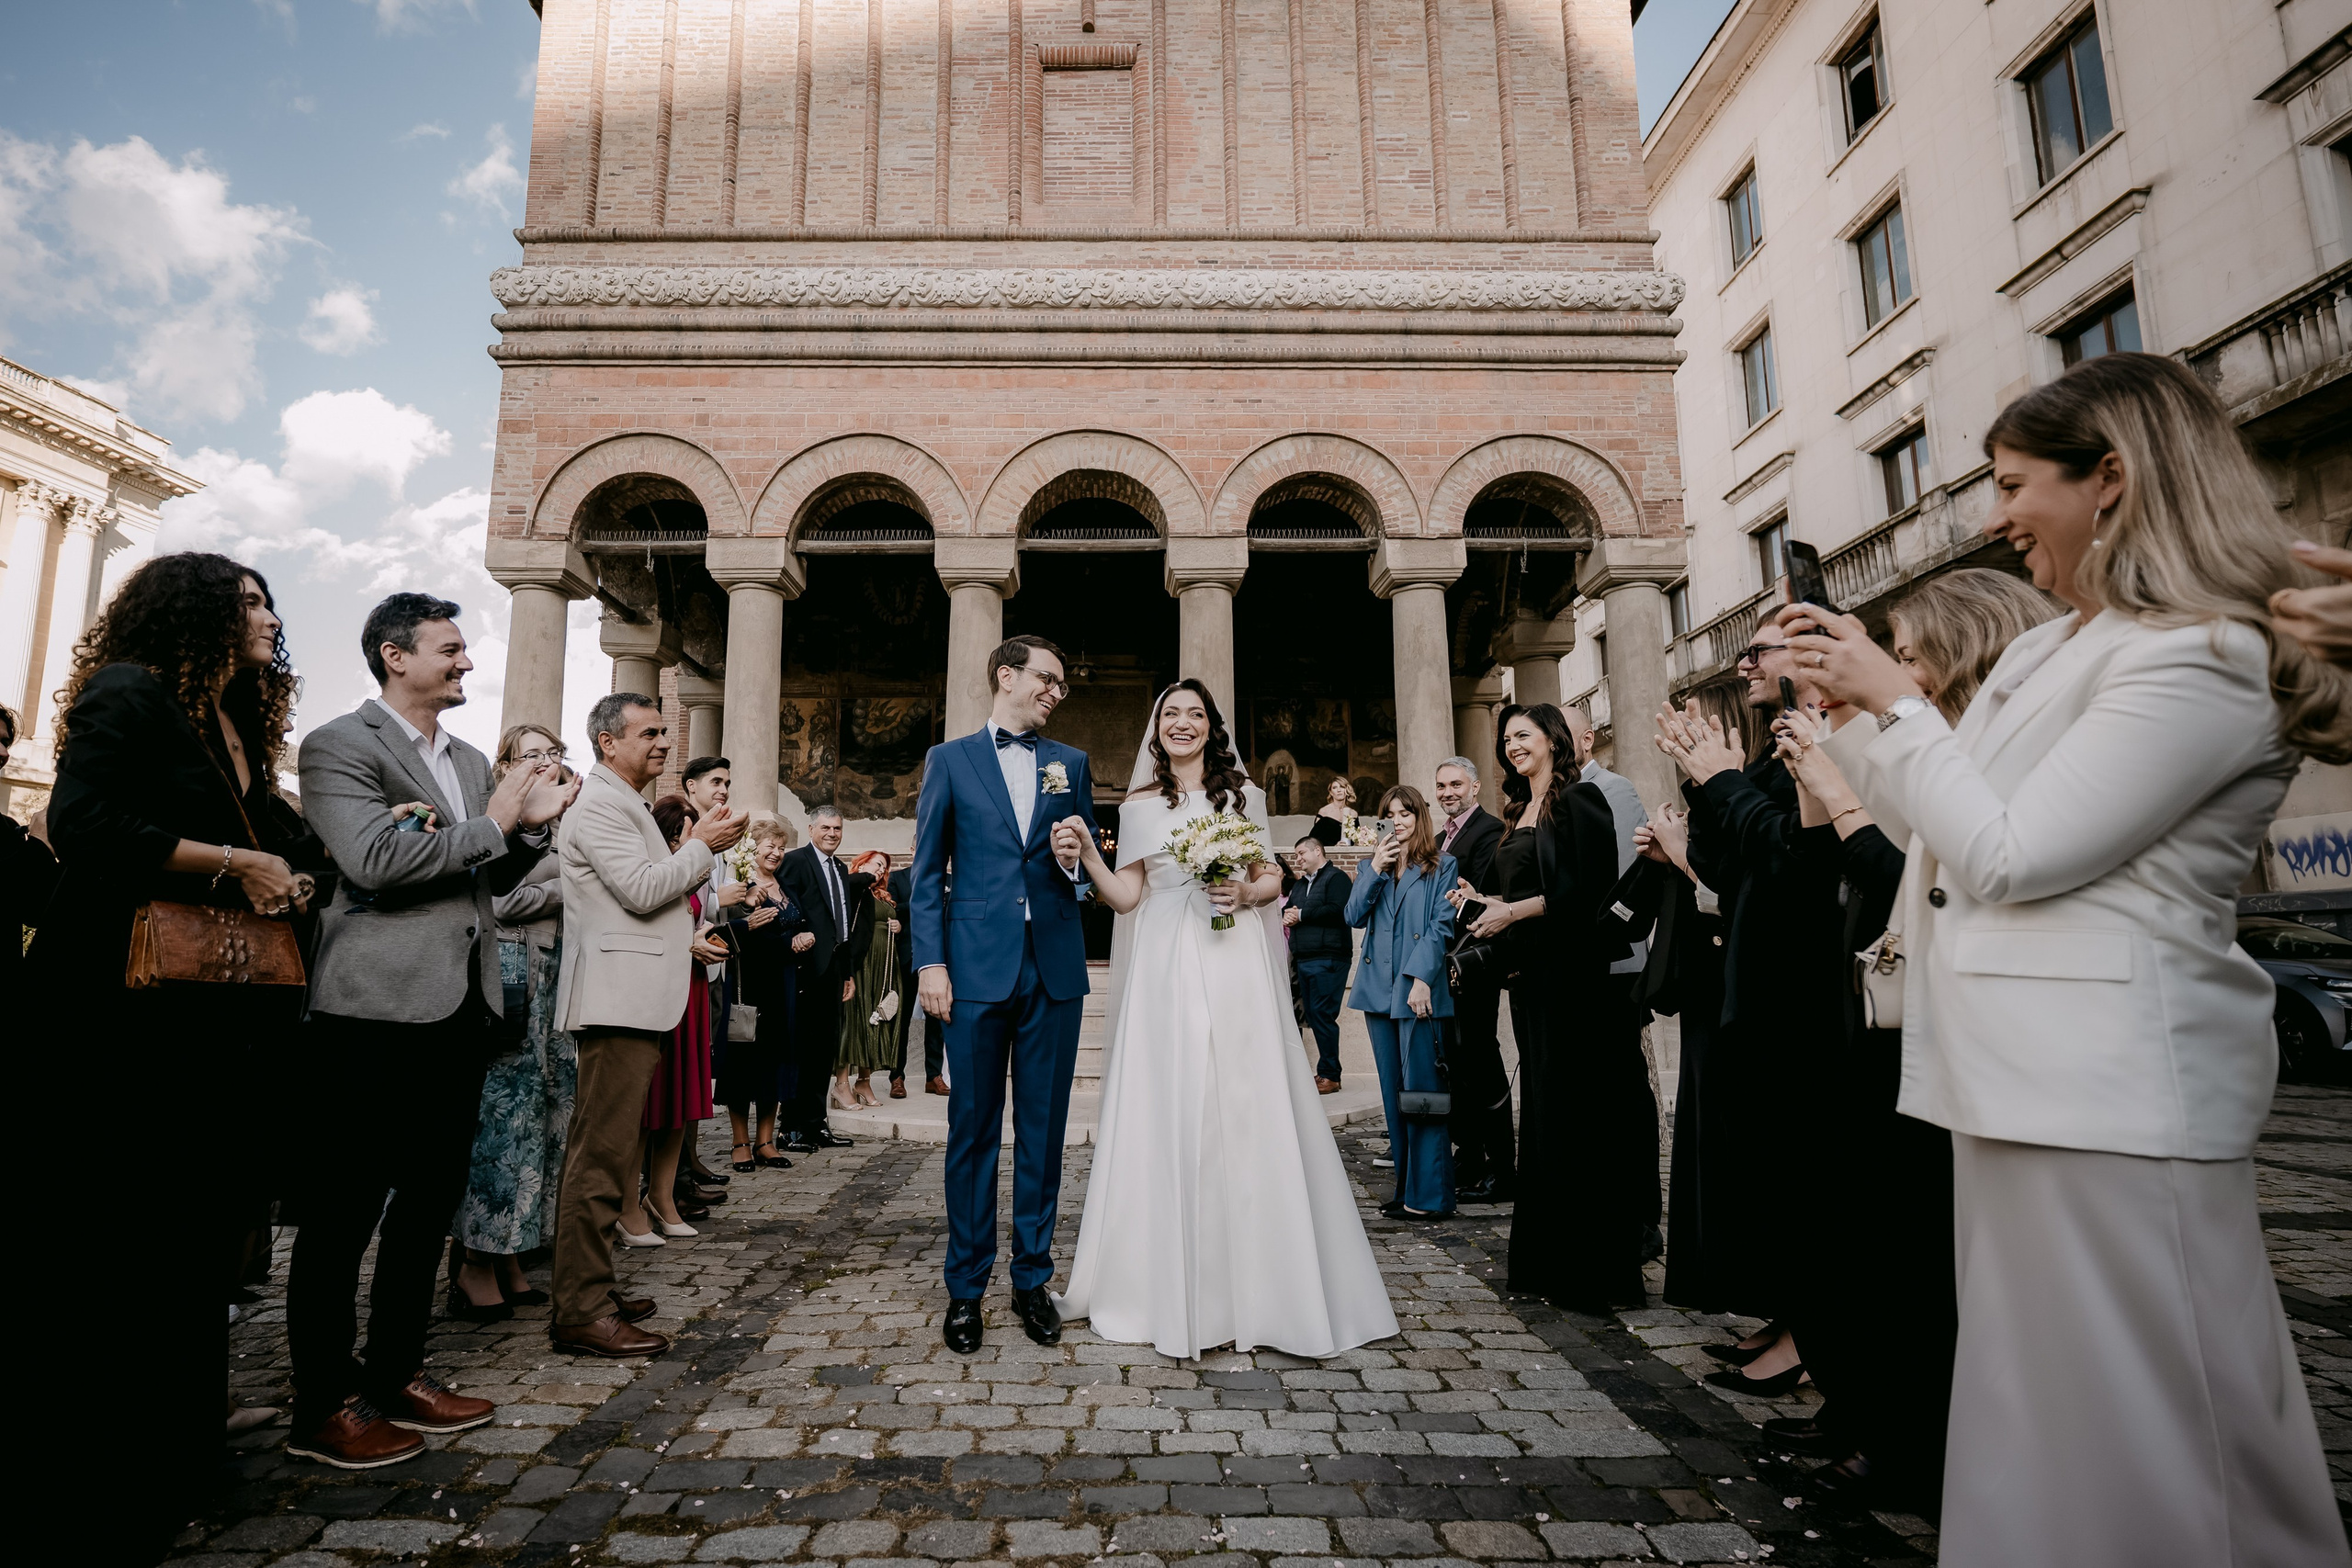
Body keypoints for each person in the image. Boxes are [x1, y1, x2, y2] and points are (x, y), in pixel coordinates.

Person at [1789, 353, 2351, 1567]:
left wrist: (1894, 706)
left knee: (2164, 1423)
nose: (1994, 518)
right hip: (2011, 1079)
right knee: (2037, 1418)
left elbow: (2012, 853)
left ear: (2112, 478)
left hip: (2115, 1088)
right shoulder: (2056, 648)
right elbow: (1931, 829)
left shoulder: (2200, 653)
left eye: (2011, 482)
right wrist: (1860, 722)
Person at [27, 553, 321, 1551]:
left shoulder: (235, 724)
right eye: (245, 601)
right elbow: (83, 822)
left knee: (197, 1239)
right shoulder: (130, 694)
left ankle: (185, 1437)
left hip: (210, 1020)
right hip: (122, 1015)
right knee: (127, 1245)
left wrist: (287, 871)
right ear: (188, 612)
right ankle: (113, 1481)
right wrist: (237, 862)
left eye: (268, 600)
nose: (267, 616)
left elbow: (266, 846)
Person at [1761, 567, 2058, 1518]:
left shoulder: (1955, 753)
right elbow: (1829, 868)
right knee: (1882, 1245)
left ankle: (1913, 1439)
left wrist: (1838, 785)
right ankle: (1877, 1419)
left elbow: (1909, 873)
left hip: (1955, 1027)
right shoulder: (1907, 743)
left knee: (1923, 1261)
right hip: (1885, 1015)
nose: (1901, 670)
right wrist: (1819, 773)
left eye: (1912, 655)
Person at [291, 592, 575, 1466]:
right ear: (393, 654)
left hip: (460, 1009)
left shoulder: (459, 758)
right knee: (344, 1214)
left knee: (424, 1210)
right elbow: (373, 859)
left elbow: (475, 881)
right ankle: (323, 1401)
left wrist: (528, 833)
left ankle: (398, 1371)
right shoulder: (341, 744)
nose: (464, 662)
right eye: (448, 649)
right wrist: (497, 823)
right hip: (373, 1008)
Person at [1057, 679, 1399, 1356]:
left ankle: (1267, 1286)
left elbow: (1271, 877)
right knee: (1176, 1101)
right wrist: (1090, 857)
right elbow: (1129, 896)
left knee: (1241, 1100)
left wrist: (1246, 889)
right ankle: (1167, 1286)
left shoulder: (1243, 796)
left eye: (1196, 715)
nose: (1183, 724)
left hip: (1232, 954)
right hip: (1164, 960)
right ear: (1156, 730)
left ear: (1212, 728)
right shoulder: (1139, 806)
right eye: (1171, 715)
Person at [1651, 616, 1848, 1394]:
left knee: (1802, 1168)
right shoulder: (1771, 752)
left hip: (1800, 982)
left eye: (1760, 649)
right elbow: (1730, 865)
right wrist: (1710, 783)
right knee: (1772, 1166)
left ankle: (1810, 1334)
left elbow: (1783, 861)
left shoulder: (1819, 746)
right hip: (1750, 976)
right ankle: (1792, 1317)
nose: (1745, 661)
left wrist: (1718, 781)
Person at [910, 635, 1098, 1354]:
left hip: (1052, 966)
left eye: (1061, 683)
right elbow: (927, 873)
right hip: (974, 969)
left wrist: (1077, 866)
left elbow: (1083, 870)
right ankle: (965, 1289)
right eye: (1048, 679)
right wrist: (931, 964)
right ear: (1007, 675)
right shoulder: (949, 760)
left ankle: (1031, 1279)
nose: (1058, 691)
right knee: (973, 1131)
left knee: (1043, 1133)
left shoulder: (1068, 764)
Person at [548, 692, 744, 1359]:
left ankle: (595, 1286)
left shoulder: (623, 799)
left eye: (665, 731)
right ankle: (580, 1309)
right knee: (600, 1159)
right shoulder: (600, 803)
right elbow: (639, 887)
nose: (664, 742)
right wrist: (701, 846)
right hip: (614, 999)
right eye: (650, 732)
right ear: (608, 742)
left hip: (636, 996)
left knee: (613, 1152)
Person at [1451, 703, 1632, 1313]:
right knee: (1546, 1120)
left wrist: (1514, 911)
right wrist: (1485, 900)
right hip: (1530, 981)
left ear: (1554, 738)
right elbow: (1530, 888)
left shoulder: (1579, 800)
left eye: (1523, 735)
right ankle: (1547, 1262)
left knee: (1576, 1116)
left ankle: (1592, 1272)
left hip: (1572, 981)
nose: (1512, 745)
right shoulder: (1519, 809)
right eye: (1506, 739)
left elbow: (1587, 892)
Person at [448, 724, 580, 1321]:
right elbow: (496, 901)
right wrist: (563, 892)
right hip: (510, 967)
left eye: (553, 753)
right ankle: (473, 1260)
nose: (546, 763)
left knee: (543, 1117)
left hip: (554, 975)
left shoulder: (558, 822)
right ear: (506, 764)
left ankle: (511, 1254)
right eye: (532, 754)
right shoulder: (496, 819)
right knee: (500, 1119)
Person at [1345, 784, 1459, 1220]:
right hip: (1377, 992)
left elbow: (1440, 927)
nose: (1398, 820)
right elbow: (1353, 916)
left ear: (1419, 816)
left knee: (1423, 1094)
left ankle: (1430, 1197)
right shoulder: (1371, 866)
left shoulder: (1442, 865)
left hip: (1418, 992)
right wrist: (1374, 866)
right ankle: (1406, 1190)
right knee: (1396, 1097)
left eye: (1406, 812)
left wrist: (1420, 979)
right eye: (1390, 813)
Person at [618, 795, 727, 1245]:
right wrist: (687, 941)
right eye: (683, 832)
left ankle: (661, 1197)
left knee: (680, 1101)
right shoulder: (649, 868)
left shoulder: (691, 870)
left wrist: (701, 937)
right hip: (656, 988)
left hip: (693, 988)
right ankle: (627, 1206)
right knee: (648, 1106)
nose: (689, 839)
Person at [1432, 756, 1510, 1202]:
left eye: (1456, 784)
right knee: (1457, 1065)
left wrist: (1454, 895)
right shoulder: (1442, 836)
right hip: (1445, 965)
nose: (1448, 792)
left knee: (1481, 1059)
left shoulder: (1489, 830)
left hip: (1474, 962)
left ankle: (1502, 1168)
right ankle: (1471, 1159)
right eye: (1441, 785)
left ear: (1475, 787)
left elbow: (1478, 893)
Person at [777, 806, 875, 1149]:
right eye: (826, 828)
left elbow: (842, 923)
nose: (832, 834)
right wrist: (798, 937)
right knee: (799, 1050)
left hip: (833, 971)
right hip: (804, 967)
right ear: (811, 829)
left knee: (824, 1052)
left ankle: (816, 1125)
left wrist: (847, 972)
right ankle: (790, 1128)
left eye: (837, 828)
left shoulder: (839, 867)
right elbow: (785, 909)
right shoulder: (796, 861)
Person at [720, 818, 813, 1169]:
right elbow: (745, 936)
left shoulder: (784, 883)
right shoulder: (741, 887)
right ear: (752, 850)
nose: (776, 853)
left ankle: (765, 1141)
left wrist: (805, 935)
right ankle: (739, 1142)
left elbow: (796, 922)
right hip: (751, 984)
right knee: (746, 1061)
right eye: (769, 847)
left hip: (784, 983)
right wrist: (790, 944)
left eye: (781, 847)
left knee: (776, 1058)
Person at [680, 755, 746, 1190]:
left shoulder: (723, 839)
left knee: (701, 1068)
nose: (723, 789)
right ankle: (676, 1168)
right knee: (684, 1069)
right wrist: (724, 897)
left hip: (712, 968)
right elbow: (682, 890)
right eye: (715, 782)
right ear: (690, 788)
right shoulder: (684, 827)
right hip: (685, 963)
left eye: (727, 782)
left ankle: (691, 1157)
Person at [1283, 833, 1351, 1092]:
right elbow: (1290, 907)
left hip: (1329, 956)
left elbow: (1338, 910)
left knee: (1322, 1014)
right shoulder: (1300, 885)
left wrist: (1301, 914)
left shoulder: (1337, 878)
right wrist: (1287, 914)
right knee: (1312, 1014)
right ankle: (1326, 1071)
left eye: (1301, 853)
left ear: (1318, 851)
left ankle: (1331, 1075)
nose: (1297, 858)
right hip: (1305, 957)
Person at [0, 704, 58, 998]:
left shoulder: (5, 828)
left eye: (6, 742)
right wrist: (39, 841)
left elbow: (33, 910)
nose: (5, 753)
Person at [835, 848, 901, 1107]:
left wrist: (897, 924)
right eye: (876, 864)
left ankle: (864, 1081)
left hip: (883, 967)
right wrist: (866, 875)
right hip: (860, 965)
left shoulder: (881, 894)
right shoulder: (851, 885)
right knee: (854, 1022)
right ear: (862, 863)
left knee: (875, 1023)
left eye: (884, 867)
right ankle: (841, 1085)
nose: (881, 870)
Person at [884, 850, 926, 1098]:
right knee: (901, 1021)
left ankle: (935, 1076)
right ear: (912, 850)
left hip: (940, 962)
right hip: (907, 959)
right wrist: (926, 900)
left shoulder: (950, 879)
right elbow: (892, 907)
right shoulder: (898, 878)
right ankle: (896, 1076)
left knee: (939, 1023)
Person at [1308, 774, 1359, 848]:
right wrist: (1334, 846)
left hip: (1348, 855)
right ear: (1331, 792)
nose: (1339, 790)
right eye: (1335, 788)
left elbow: (1357, 839)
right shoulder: (1324, 811)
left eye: (1342, 787)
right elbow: (1314, 839)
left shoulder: (1353, 813)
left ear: (1347, 790)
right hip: (1329, 853)